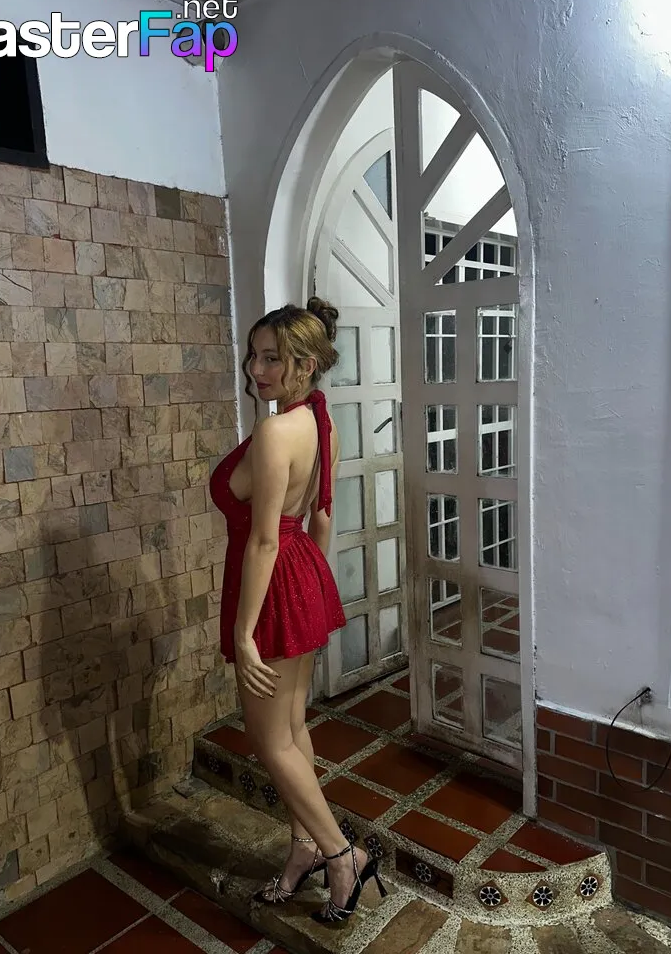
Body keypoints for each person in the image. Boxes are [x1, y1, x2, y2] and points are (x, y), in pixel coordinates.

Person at [208, 297, 387, 923]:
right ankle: (304, 847)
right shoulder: (319, 422)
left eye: (270, 359)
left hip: (271, 581)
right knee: (291, 728)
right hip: (302, 573)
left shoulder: (276, 431)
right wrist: (308, 584)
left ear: (305, 364)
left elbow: (263, 540)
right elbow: (322, 517)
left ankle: (343, 855)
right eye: (253, 357)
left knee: (268, 739)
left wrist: (244, 633)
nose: (255, 370)